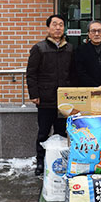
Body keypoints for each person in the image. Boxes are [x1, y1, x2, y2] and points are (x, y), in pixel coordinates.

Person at [26, 14, 77, 176]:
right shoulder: (39, 48)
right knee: (43, 132)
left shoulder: (69, 48)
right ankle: (40, 162)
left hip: (64, 100)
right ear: (48, 28)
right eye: (54, 24)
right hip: (45, 98)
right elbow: (31, 73)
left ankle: (60, 161)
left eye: (61, 25)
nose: (57, 28)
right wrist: (34, 94)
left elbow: (73, 73)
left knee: (62, 132)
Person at [76, 20, 101, 87]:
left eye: (100, 31)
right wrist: (96, 86)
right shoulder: (80, 50)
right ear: (88, 34)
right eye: (93, 31)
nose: (97, 34)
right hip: (88, 88)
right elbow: (81, 72)